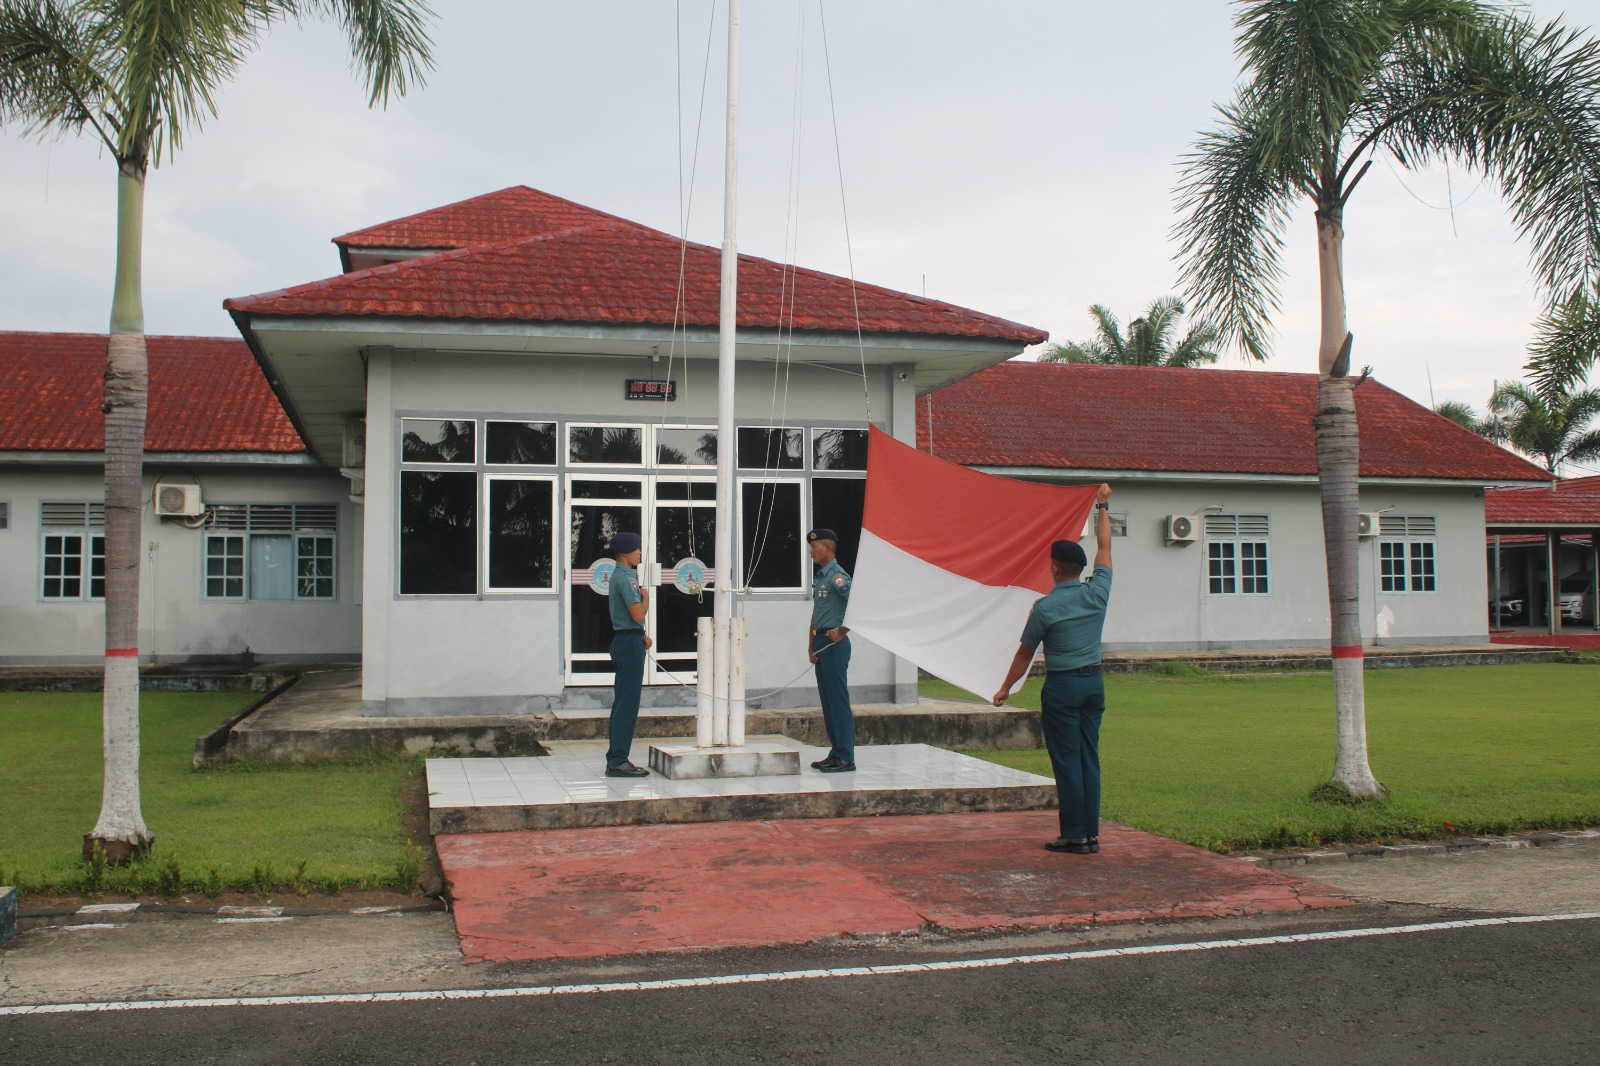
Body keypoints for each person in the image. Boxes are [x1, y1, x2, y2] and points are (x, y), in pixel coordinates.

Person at [993, 484, 1114, 853]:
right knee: (1088, 757)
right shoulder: (1097, 592)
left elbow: (1023, 655)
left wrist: (1004, 688)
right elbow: (1105, 548)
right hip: (1093, 682)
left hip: (1063, 688)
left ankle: (1075, 834)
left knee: (1066, 760)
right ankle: (1091, 834)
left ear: (1055, 568)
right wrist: (1104, 507)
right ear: (1080, 569)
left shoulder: (1044, 608)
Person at [806, 528, 855, 772]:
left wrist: (842, 631)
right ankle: (835, 753)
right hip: (822, 643)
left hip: (835, 645)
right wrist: (811, 645)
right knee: (827, 702)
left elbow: (857, 605)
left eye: (815, 546)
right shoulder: (822, 577)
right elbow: (817, 613)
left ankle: (846, 756)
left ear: (827, 547)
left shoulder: (838, 576)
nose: (811, 550)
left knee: (838, 701)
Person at [604, 531, 652, 777]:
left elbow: (631, 621)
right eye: (637, 549)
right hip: (628, 644)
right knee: (627, 704)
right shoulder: (627, 578)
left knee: (622, 702)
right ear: (625, 552)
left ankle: (616, 757)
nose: (640, 553)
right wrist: (646, 599)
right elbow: (637, 615)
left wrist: (639, 634)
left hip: (628, 639)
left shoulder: (620, 575)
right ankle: (618, 761)